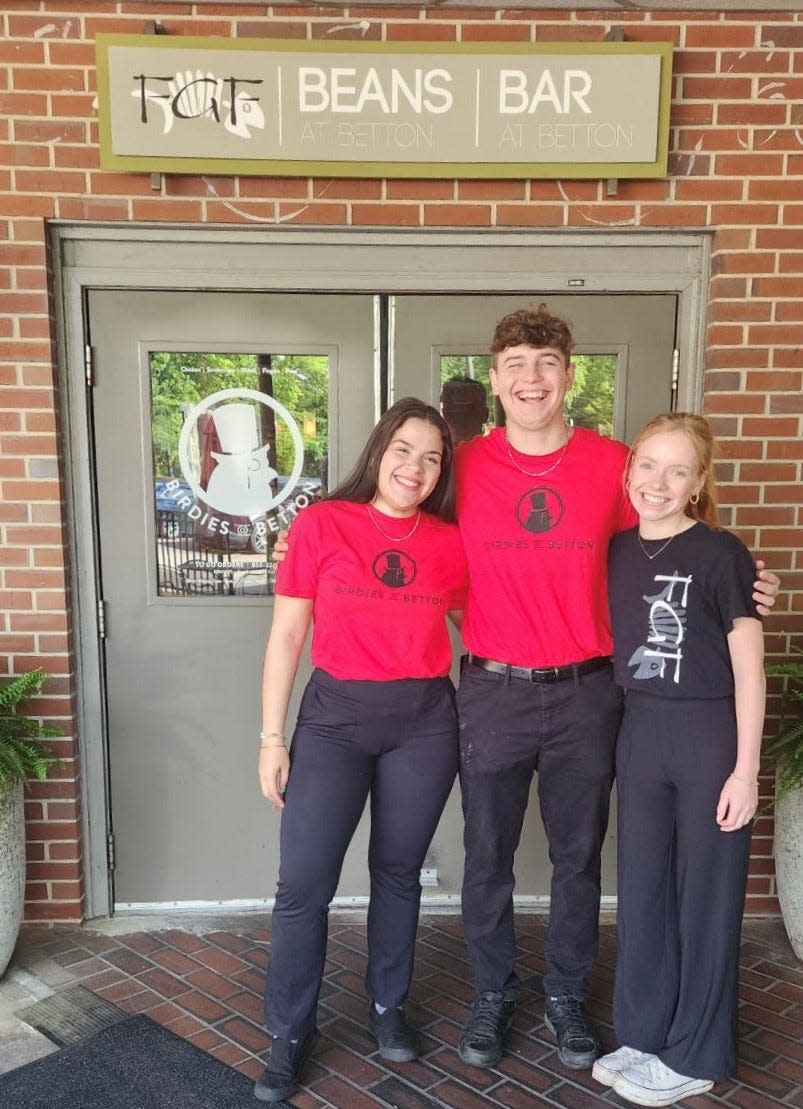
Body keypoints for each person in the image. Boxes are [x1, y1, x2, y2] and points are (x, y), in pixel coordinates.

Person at [274, 304, 779, 1077]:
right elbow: (390, 525)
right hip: (490, 690)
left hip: (586, 691)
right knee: (488, 856)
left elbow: (668, 531)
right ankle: (492, 990)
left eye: (545, 362)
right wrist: (300, 538)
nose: (530, 378)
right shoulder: (458, 465)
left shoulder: (612, 463)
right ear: (497, 377)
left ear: (568, 376)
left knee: (578, 857)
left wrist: (741, 581)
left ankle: (569, 994)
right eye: (514, 363)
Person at [254, 397, 468, 1103]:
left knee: (398, 871)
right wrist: (271, 737)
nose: (415, 466)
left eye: (431, 456)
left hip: (425, 720)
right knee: (303, 882)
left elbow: (507, 607)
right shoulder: (321, 525)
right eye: (404, 448)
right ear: (379, 450)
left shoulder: (450, 540)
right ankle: (289, 1032)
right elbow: (286, 637)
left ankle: (386, 1007)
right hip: (335, 720)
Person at [591, 413, 764, 1106]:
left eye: (677, 471)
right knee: (641, 891)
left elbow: (750, 669)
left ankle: (696, 1051)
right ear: (628, 469)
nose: (657, 482)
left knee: (705, 898)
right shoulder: (614, 550)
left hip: (706, 735)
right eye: (648, 465)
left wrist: (745, 770)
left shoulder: (722, 554)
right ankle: (643, 1030)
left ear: (697, 484)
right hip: (639, 732)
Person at [440, 374, 490, 445]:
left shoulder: (436, 453)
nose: (460, 420)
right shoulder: (496, 453)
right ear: (485, 414)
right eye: (454, 414)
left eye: (467, 414)